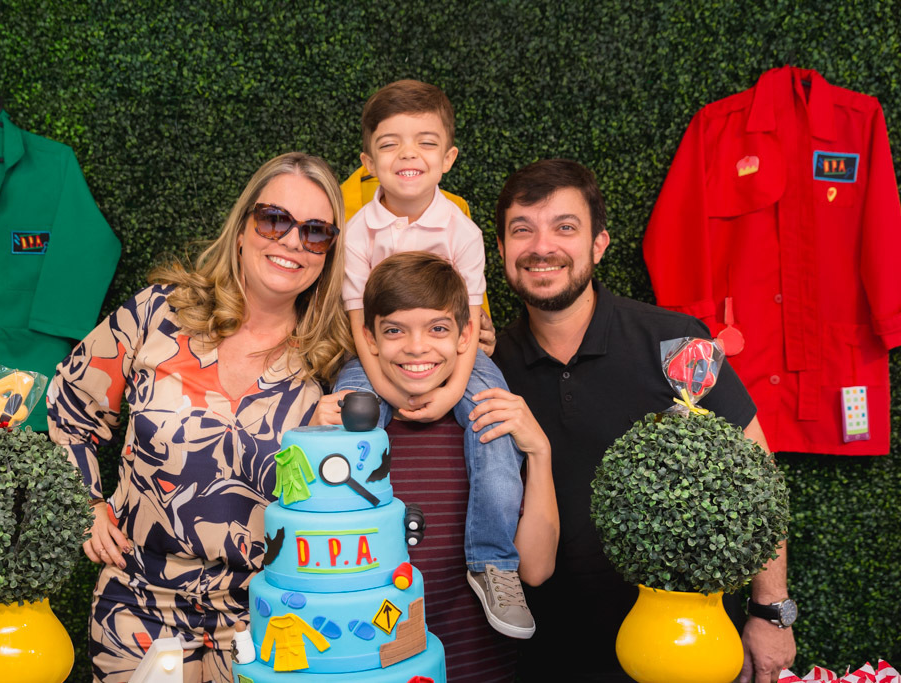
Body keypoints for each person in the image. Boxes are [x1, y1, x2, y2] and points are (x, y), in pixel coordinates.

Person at [46, 152, 353, 683]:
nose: (291, 242)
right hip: (136, 609)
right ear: (241, 228)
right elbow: (69, 400)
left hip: (267, 622)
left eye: (315, 231)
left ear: (328, 252)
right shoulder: (159, 312)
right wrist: (88, 502)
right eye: (274, 219)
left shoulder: (334, 358)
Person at [490, 158, 797, 683]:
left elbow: (757, 475)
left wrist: (771, 610)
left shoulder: (677, 341)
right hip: (539, 652)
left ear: (598, 244)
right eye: (523, 230)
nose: (542, 247)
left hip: (680, 647)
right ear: (500, 250)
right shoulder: (486, 367)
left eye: (565, 227)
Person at [335, 79, 534, 638]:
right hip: (377, 356)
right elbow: (357, 324)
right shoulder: (357, 233)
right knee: (346, 419)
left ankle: (493, 563)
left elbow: (469, 325)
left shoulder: (461, 230)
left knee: (494, 426)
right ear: (368, 162)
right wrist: (390, 392)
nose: (407, 155)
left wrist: (452, 393)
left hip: (456, 356)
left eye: (425, 142)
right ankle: (349, 553)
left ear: (447, 158)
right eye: (390, 143)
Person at [313, 251, 559, 682]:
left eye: (438, 329)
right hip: (371, 664)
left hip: (478, 665)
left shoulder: (490, 426)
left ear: (465, 336)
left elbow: (536, 570)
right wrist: (315, 445)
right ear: (369, 339)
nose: (416, 347)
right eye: (394, 331)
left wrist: (540, 454)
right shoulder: (350, 433)